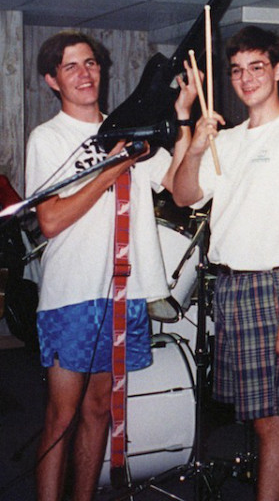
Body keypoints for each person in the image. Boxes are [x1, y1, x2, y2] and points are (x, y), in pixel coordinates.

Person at [25, 30, 199, 501]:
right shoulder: (49, 138)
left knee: (100, 408)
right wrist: (114, 167)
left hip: (125, 292)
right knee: (61, 416)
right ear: (52, 81)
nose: (85, 74)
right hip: (73, 294)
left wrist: (182, 118)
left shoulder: (130, 128)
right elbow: (51, 219)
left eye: (91, 64)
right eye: (71, 67)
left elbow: (178, 185)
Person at [173, 26, 279, 501]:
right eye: (237, 70)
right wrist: (196, 146)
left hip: (276, 287)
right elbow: (183, 195)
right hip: (232, 288)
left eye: (256, 67)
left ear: (278, 71)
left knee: (269, 422)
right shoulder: (229, 139)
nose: (245, 78)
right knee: (276, 414)